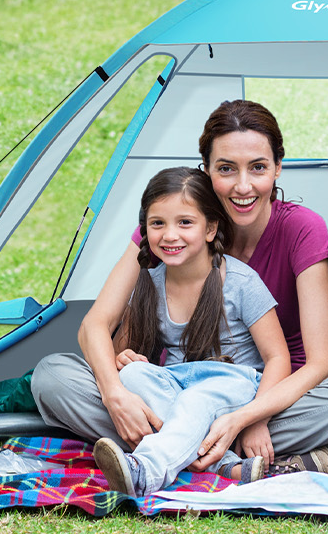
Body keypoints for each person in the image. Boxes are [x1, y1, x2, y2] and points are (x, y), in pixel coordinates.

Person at [34, 100, 328, 474]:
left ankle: (172, 449)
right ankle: (228, 459)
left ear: (278, 168)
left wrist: (249, 417)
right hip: (172, 392)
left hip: (274, 401)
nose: (243, 185)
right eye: (226, 169)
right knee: (52, 377)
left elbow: (324, 363)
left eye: (258, 168)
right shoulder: (172, 229)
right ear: (206, 171)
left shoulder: (301, 229)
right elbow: (95, 325)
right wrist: (115, 394)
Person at [88, 167, 291, 496]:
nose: (170, 235)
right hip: (177, 383)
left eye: (185, 223)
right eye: (158, 224)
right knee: (134, 376)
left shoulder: (242, 282)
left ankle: (145, 471)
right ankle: (224, 464)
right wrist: (123, 359)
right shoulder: (149, 284)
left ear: (211, 228)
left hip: (233, 384)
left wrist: (256, 418)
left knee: (195, 401)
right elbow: (119, 353)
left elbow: (278, 357)